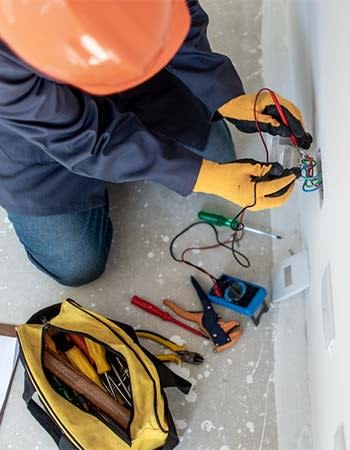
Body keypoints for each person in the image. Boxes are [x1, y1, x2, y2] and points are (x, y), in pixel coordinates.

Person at [0, 0, 312, 287]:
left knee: (220, 154)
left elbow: (179, 14)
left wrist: (226, 96)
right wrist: (206, 177)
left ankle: (135, 145)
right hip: (36, 140)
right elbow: (82, 139)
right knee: (77, 266)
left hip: (138, 84)